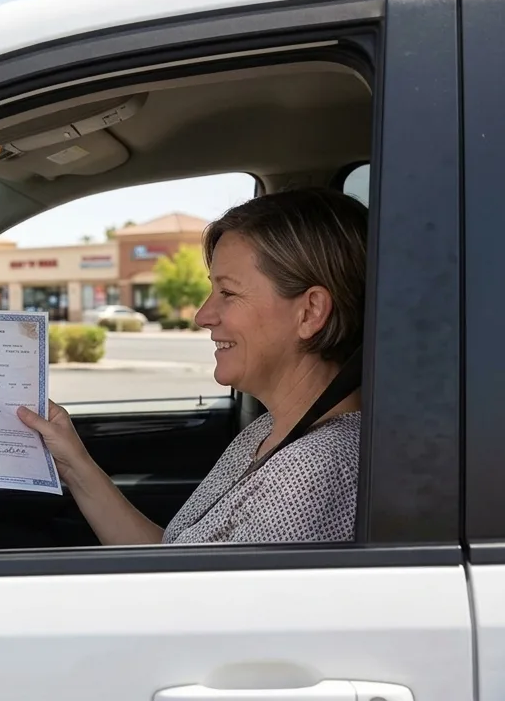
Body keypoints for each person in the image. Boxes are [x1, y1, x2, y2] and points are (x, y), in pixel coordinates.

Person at [18, 188, 368, 545]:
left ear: (309, 312)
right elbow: (172, 562)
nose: (203, 315)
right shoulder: (270, 431)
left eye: (227, 293)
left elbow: (187, 597)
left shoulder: (308, 471)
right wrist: (74, 463)